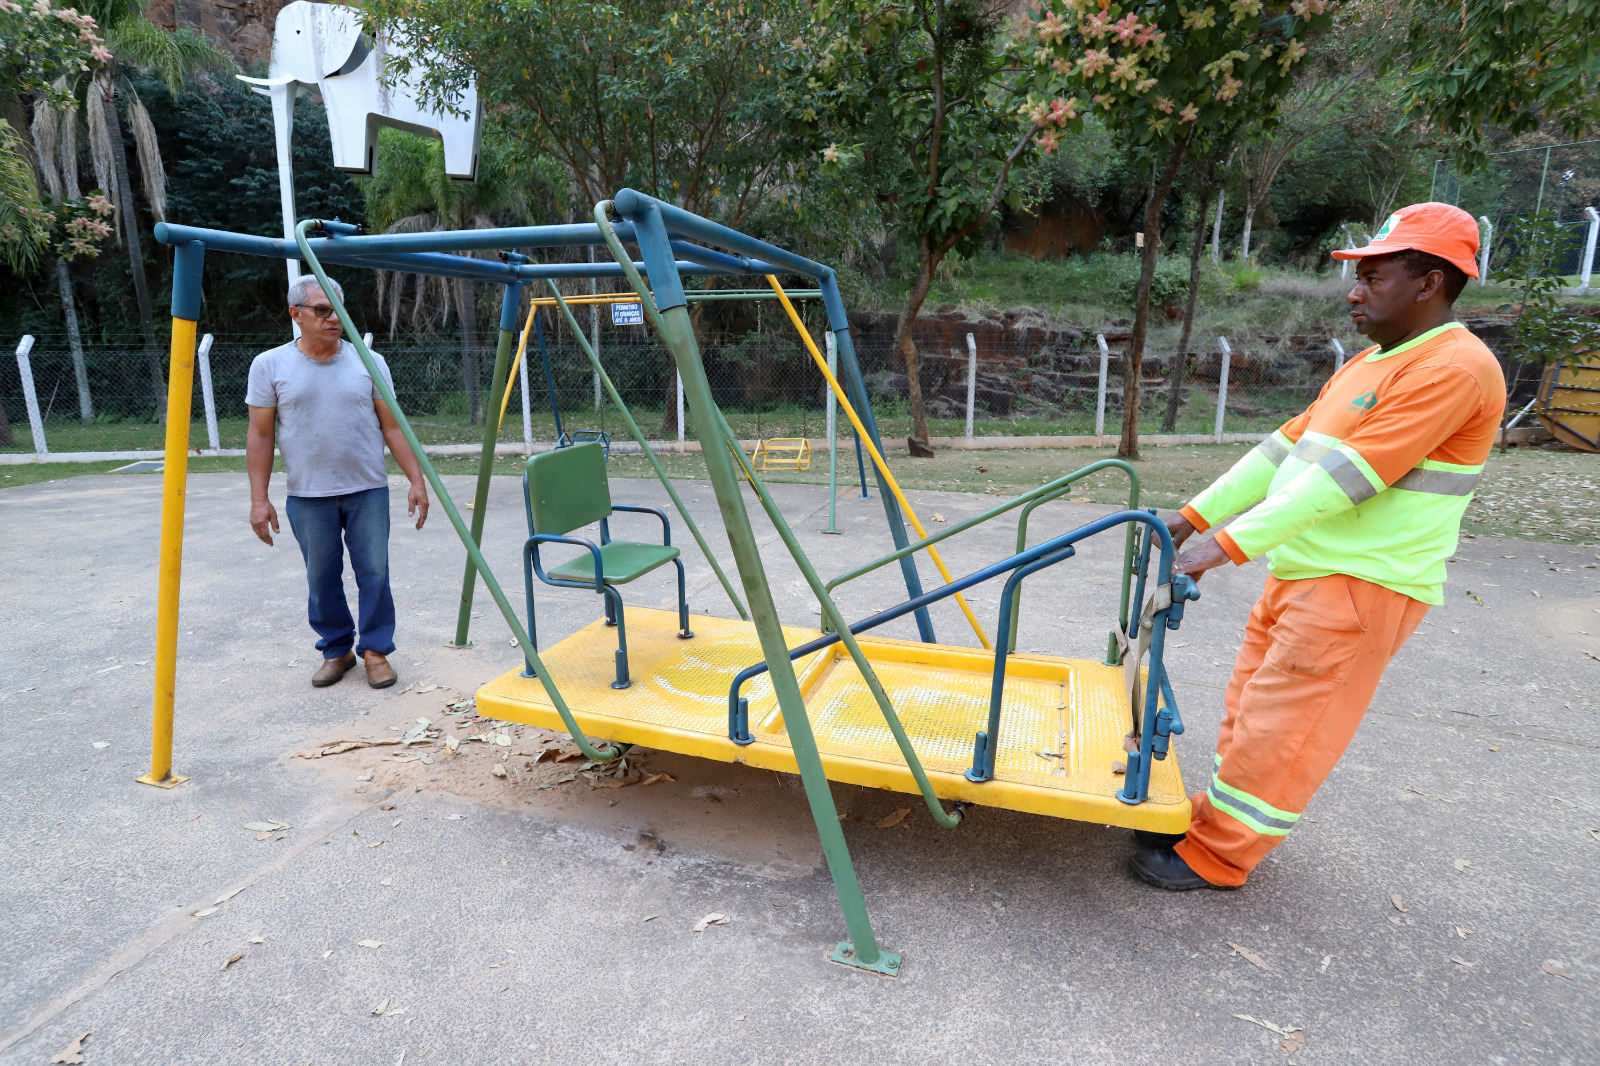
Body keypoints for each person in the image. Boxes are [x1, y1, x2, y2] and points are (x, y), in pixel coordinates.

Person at [1129, 202, 1507, 891]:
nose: (1354, 292)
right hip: (1306, 569)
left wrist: (1225, 546)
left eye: (1374, 277)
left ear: (1429, 284)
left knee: (1288, 727)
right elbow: (1284, 448)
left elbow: (1349, 481)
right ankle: (1214, 819)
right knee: (1250, 706)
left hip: (1363, 581)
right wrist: (1193, 514)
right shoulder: (1371, 363)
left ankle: (1219, 856)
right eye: (1356, 277)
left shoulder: (1454, 368)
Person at [245, 276, 430, 689]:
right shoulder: (270, 365)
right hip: (308, 494)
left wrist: (416, 480)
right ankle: (337, 650)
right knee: (320, 578)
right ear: (296, 314)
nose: (334, 318)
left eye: (339, 310)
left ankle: (375, 650)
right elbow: (259, 435)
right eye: (321, 310)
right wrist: (260, 499)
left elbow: (393, 428)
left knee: (375, 573)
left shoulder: (368, 360)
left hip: (367, 489)